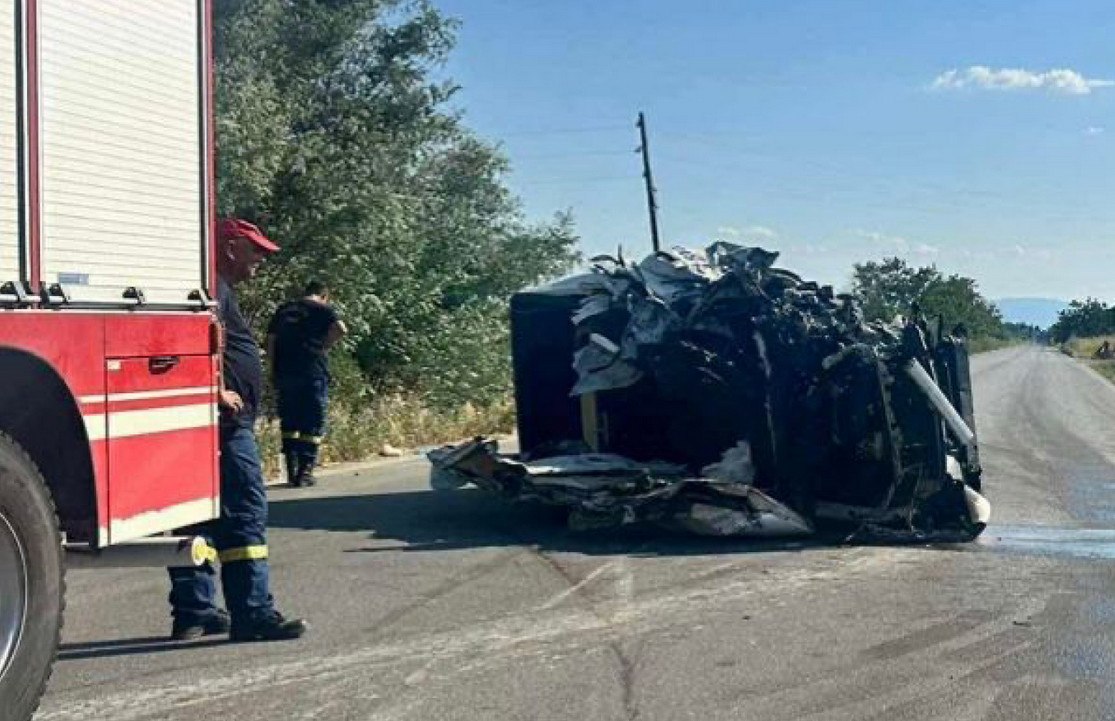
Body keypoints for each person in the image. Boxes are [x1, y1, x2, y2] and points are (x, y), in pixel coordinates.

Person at [167, 218, 307, 642]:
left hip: (208, 425)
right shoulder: (212, 285)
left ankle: (194, 613)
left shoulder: (208, 285)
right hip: (226, 426)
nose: (261, 260)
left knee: (198, 518)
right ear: (229, 246)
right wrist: (218, 390)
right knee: (245, 511)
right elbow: (197, 338)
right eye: (255, 250)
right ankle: (251, 614)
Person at [266, 281, 347, 487]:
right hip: (312, 371)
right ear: (324, 295)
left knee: (290, 421)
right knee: (312, 421)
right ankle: (305, 472)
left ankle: (291, 472)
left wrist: (272, 369)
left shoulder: (284, 310)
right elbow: (341, 329)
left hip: (285, 372)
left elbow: (271, 341)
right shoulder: (324, 309)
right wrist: (323, 346)